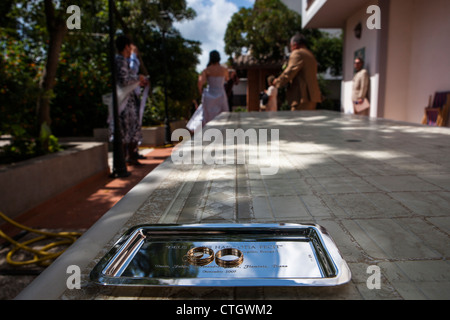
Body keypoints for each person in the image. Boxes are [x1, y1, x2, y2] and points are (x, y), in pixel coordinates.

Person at [114, 35, 148, 165]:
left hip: (129, 99)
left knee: (131, 127)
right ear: (126, 46)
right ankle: (124, 159)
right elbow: (124, 80)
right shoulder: (120, 60)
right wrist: (137, 79)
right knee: (125, 128)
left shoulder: (123, 60)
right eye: (129, 46)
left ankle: (130, 156)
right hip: (124, 101)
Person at [274, 33, 321, 111]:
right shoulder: (310, 55)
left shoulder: (297, 53)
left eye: (291, 46)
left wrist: (277, 82)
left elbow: (290, 72)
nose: (291, 49)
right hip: (312, 96)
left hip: (301, 97)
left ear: (295, 45)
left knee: (297, 121)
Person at [197, 50, 229, 127]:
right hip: (221, 94)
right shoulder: (224, 70)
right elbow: (227, 79)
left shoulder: (207, 70)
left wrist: (200, 92)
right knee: (223, 118)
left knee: (209, 118)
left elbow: (200, 82)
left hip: (210, 95)